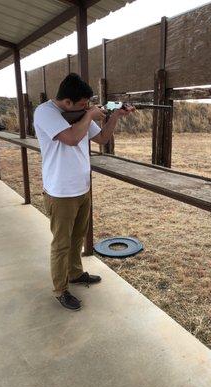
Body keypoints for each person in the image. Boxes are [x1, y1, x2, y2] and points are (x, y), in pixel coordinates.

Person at [33, 73, 135, 311]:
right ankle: (60, 289)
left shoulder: (81, 114)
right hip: (60, 192)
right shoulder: (45, 112)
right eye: (82, 105)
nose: (87, 108)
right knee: (61, 243)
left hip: (82, 188)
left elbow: (102, 138)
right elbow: (70, 138)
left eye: (88, 105)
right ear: (67, 103)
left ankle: (75, 274)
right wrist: (89, 115)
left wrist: (116, 116)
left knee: (77, 238)